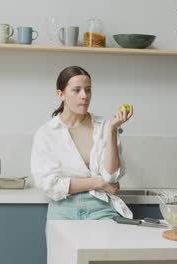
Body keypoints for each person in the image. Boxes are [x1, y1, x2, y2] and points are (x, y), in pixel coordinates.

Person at [31, 66, 134, 220]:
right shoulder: (46, 133)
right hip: (63, 209)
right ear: (61, 94)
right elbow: (50, 185)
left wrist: (112, 129)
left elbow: (111, 177)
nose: (84, 96)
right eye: (76, 90)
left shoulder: (105, 127)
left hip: (101, 208)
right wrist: (99, 183)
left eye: (88, 90)